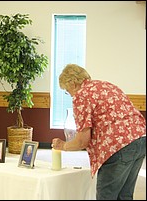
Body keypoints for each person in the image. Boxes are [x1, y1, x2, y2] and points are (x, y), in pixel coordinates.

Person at [52, 64, 146, 200]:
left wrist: (63, 146)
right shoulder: (106, 85)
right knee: (124, 195)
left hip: (118, 145)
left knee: (106, 195)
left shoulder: (81, 96)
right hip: (141, 137)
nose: (70, 94)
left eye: (67, 91)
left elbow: (82, 141)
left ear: (72, 83)